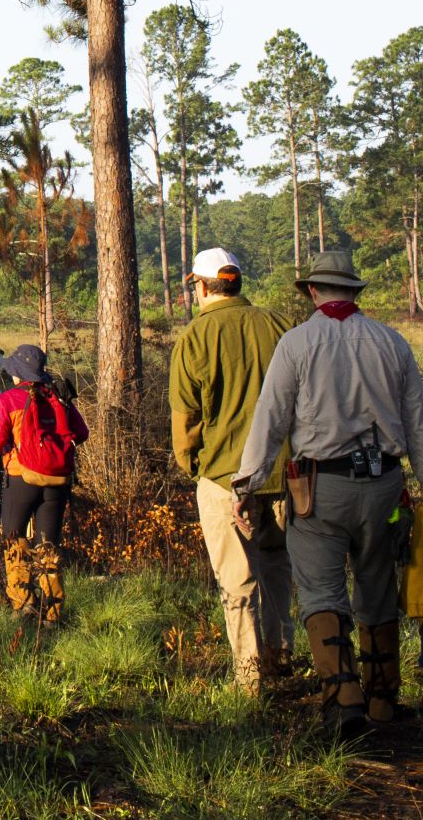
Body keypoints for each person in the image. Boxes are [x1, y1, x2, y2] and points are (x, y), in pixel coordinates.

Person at [232, 248, 423, 732]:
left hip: (319, 490)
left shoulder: (296, 344)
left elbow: (269, 418)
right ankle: (382, 704)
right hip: (385, 488)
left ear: (313, 291)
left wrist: (246, 484)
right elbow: (420, 422)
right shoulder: (392, 342)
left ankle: (344, 700)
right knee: (378, 589)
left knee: (321, 593)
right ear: (354, 292)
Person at [169, 246, 296, 695]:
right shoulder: (280, 325)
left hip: (224, 477)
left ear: (201, 287)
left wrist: (195, 467)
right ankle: (283, 653)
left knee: (236, 579)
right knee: (278, 563)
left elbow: (185, 419)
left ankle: (249, 676)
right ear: (237, 283)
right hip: (283, 475)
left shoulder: (195, 337)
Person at [0, 345, 88, 624]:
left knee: (14, 538)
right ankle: (53, 613)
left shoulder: (9, 399)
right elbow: (81, 432)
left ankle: (24, 605)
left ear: (17, 372)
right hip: (57, 480)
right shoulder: (57, 394)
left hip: (20, 478)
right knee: (48, 545)